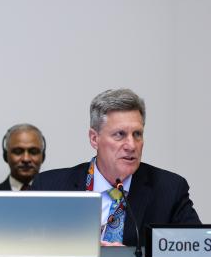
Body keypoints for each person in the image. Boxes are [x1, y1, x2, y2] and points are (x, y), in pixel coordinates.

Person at [32, 88, 200, 246]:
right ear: (94, 138)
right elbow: (26, 250)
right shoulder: (49, 187)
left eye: (137, 134)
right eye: (120, 134)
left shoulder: (169, 189)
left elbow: (198, 252)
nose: (131, 145)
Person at [0, 123, 46, 191]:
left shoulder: (58, 196)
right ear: (6, 156)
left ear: (42, 156)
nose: (26, 159)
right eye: (18, 151)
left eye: (33, 152)